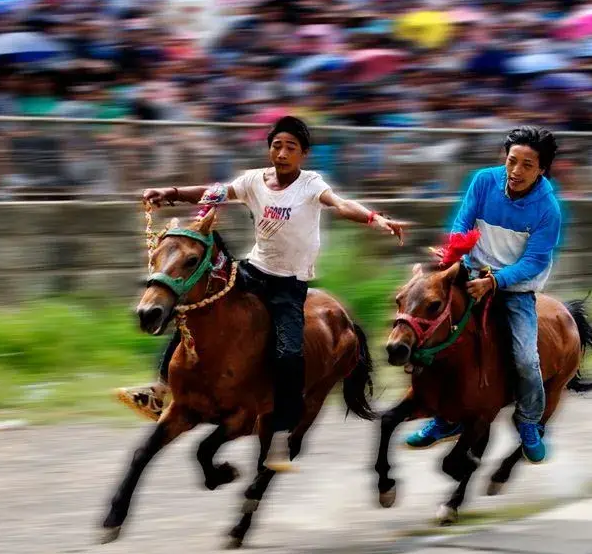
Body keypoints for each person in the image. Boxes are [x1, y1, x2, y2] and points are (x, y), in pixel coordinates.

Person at [116, 116, 407, 464]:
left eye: (291, 148)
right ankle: (160, 388)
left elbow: (341, 205)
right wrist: (171, 193)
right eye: (276, 145)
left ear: (304, 154)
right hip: (251, 271)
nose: (282, 153)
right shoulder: (254, 180)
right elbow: (214, 193)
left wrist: (376, 218)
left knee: (288, 353)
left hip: (289, 284)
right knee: (189, 311)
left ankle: (282, 428)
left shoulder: (312, 184)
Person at [404, 126, 562, 464]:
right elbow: (462, 221)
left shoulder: (548, 209)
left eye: (527, 165)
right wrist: (455, 253)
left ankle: (529, 421)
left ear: (542, 169)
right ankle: (443, 419)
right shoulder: (483, 181)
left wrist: (495, 282)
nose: (516, 171)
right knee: (430, 335)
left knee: (526, 360)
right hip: (470, 272)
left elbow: (534, 261)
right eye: (511, 161)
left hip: (514, 289)